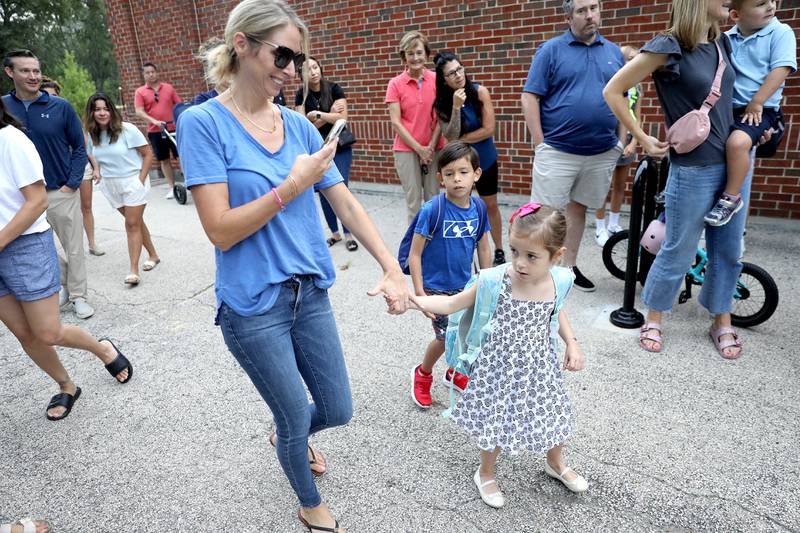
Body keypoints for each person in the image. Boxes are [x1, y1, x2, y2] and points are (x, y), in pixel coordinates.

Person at [177, 1, 412, 531]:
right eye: (282, 54)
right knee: (291, 419)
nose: (292, 69)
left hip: (311, 294)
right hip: (254, 306)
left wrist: (391, 267)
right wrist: (292, 187)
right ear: (242, 44)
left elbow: (346, 202)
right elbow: (219, 228)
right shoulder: (203, 124)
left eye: (298, 58)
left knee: (337, 409)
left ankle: (288, 434)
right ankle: (310, 505)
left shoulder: (298, 127)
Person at [412, 203, 587, 508]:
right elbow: (453, 304)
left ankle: (555, 463)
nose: (520, 262)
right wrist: (414, 300)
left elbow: (556, 312)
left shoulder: (558, 281)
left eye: (531, 256)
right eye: (515, 251)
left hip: (540, 367)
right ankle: (485, 472)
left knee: (553, 414)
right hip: (498, 369)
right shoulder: (495, 281)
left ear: (556, 256)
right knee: (496, 421)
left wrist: (572, 343)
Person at [604, 0, 745, 359]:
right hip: (693, 168)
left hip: (734, 165)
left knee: (727, 251)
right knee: (679, 249)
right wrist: (642, 136)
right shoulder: (668, 46)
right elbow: (613, 91)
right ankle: (655, 316)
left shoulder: (722, 43)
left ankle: (720, 319)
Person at [0, 97, 133, 422]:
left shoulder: (11, 140)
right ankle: (66, 385)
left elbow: (35, 203)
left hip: (23, 244)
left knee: (47, 331)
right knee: (24, 333)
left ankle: (103, 349)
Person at [521, 0, 625, 292]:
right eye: (581, 10)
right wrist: (540, 144)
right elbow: (530, 97)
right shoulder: (551, 50)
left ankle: (569, 269)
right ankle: (537, 272)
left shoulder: (614, 53)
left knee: (578, 209)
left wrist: (621, 141)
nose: (590, 15)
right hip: (557, 149)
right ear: (568, 16)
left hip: (601, 151)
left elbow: (626, 97)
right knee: (543, 213)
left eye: (594, 8)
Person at [2, 49, 95, 319]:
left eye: (36, 71)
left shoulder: (61, 106)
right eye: (25, 71)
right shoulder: (4, 107)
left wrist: (72, 183)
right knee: (44, 249)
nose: (33, 76)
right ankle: (65, 284)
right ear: (10, 73)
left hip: (59, 191)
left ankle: (78, 296)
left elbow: (79, 147)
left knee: (73, 247)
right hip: (21, 199)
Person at [408, 141, 491, 409]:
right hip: (436, 289)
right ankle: (423, 373)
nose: (457, 179)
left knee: (466, 335)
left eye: (464, 172)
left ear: (476, 174)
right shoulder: (433, 209)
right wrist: (421, 294)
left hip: (465, 286)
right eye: (450, 173)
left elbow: (483, 245)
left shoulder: (478, 208)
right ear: (440, 178)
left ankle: (455, 373)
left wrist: (487, 280)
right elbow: (415, 254)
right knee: (445, 338)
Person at [704, 0, 796, 226]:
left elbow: (781, 68)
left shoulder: (780, 31)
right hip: (728, 109)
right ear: (735, 15)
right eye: (761, 3)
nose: (771, 7)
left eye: (772, 1)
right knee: (696, 136)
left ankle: (731, 198)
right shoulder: (726, 38)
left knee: (737, 144)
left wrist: (758, 101)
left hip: (760, 110)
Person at [434, 52, 505, 266]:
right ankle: (468, 248)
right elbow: (449, 134)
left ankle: (499, 249)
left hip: (486, 159)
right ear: (444, 80)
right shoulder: (441, 104)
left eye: (459, 69)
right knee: (463, 205)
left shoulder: (479, 92)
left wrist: (461, 138)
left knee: (490, 204)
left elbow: (489, 129)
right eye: (451, 73)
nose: (458, 75)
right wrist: (456, 107)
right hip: (461, 164)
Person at [85, 93, 161, 285]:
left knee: (131, 224)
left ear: (111, 110)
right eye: (97, 109)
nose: (102, 113)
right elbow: (94, 156)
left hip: (132, 181)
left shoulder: (127, 129)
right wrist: (97, 170)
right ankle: (153, 255)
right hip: (110, 185)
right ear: (91, 112)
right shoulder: (92, 134)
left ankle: (133, 270)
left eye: (105, 108)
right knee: (135, 222)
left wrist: (140, 180)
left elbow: (148, 154)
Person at [295, 57, 358, 251]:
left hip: (340, 148)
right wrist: (328, 114)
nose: (313, 72)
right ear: (301, 76)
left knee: (341, 190)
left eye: (315, 67)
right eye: (308, 70)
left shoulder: (334, 88)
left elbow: (342, 120)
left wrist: (317, 115)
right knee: (323, 191)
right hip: (318, 149)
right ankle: (335, 233)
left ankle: (348, 234)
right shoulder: (301, 96)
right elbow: (304, 127)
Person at [39, 79, 105, 257]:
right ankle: (63, 250)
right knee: (56, 213)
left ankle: (91, 244)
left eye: (53, 95)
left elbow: (84, 145)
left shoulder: (65, 112)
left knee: (86, 207)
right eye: (46, 95)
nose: (50, 98)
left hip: (80, 168)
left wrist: (95, 167)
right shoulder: (37, 119)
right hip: (56, 172)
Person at [385, 30, 445, 223]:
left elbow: (441, 117)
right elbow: (396, 122)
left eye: (419, 52)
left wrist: (429, 149)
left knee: (434, 199)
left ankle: (434, 242)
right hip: (406, 149)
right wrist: (419, 149)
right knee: (414, 203)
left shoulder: (437, 79)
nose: (415, 57)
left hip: (434, 148)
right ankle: (415, 247)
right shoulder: (395, 84)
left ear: (426, 54)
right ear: (404, 56)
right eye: (410, 53)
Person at [595, 45, 643, 246]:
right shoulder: (611, 84)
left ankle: (614, 223)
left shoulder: (638, 87)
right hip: (609, 136)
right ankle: (600, 227)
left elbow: (638, 117)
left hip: (628, 138)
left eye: (636, 58)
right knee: (602, 186)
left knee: (619, 186)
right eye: (630, 58)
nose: (634, 62)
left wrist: (634, 141)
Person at [134, 62, 182, 200]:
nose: (151, 74)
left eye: (153, 71)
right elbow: (139, 111)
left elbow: (178, 105)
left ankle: (190, 184)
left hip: (174, 128)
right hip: (156, 131)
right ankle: (172, 187)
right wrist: (154, 121)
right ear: (144, 75)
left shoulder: (168, 88)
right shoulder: (140, 92)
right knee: (164, 159)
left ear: (157, 72)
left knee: (182, 156)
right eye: (147, 72)